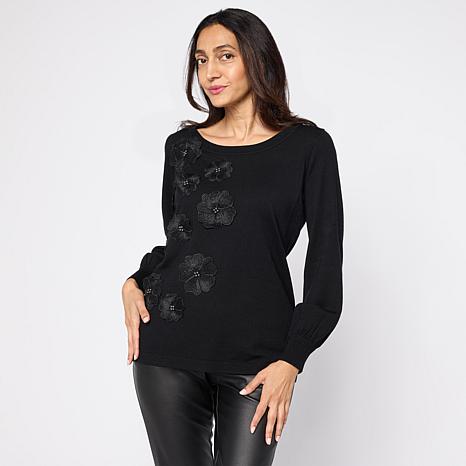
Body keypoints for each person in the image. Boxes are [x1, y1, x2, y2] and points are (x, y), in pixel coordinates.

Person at [121, 8, 344, 466]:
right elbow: (183, 242)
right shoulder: (182, 148)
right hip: (169, 350)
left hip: (259, 357)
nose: (210, 73)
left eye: (225, 56)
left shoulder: (308, 147)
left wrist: (292, 360)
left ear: (258, 58)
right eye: (201, 60)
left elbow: (325, 260)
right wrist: (134, 280)